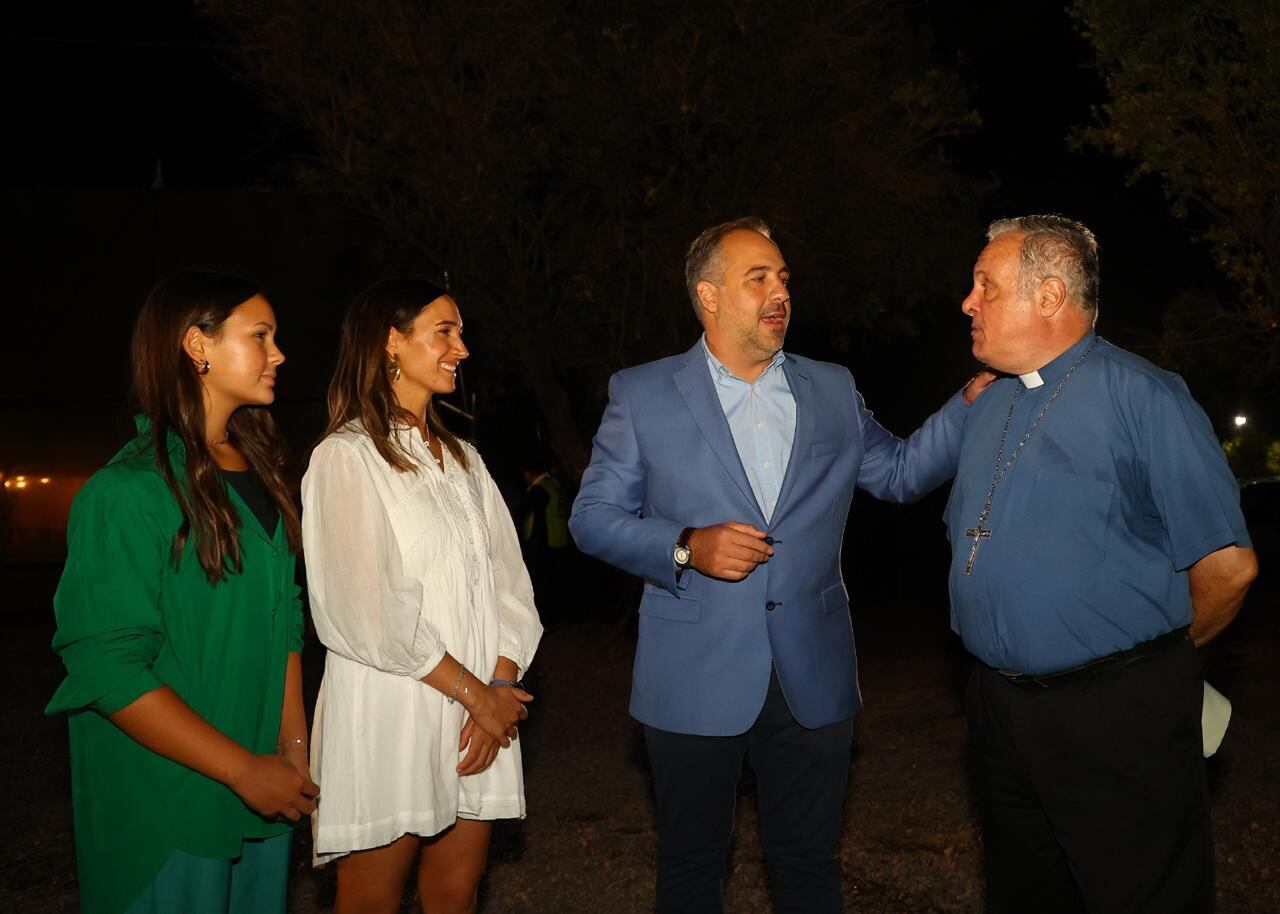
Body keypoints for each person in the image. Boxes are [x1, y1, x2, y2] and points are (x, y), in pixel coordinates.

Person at [569, 217, 991, 913]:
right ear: (708, 296)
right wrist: (685, 545)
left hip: (812, 673)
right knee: (692, 868)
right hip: (693, 673)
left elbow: (898, 472)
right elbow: (592, 519)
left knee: (807, 866)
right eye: (758, 278)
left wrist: (967, 404)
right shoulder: (642, 394)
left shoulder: (830, 387)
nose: (780, 292)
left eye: (785, 278)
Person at [946, 214, 1259, 913]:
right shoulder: (989, 400)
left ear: (1050, 296)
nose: (968, 303)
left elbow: (1228, 568)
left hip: (1117, 715)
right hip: (999, 711)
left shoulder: (1142, 397)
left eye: (985, 286)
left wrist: (1154, 665)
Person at [46, 272, 318, 914]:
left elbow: (285, 623)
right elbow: (107, 666)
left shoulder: (262, 474)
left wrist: (293, 757)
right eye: (260, 336)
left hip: (261, 798)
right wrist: (242, 769)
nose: (278, 354)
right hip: (168, 804)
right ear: (197, 345)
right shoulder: (127, 492)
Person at [301, 278, 543, 914]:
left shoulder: (464, 460)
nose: (461, 348)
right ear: (391, 341)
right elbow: (364, 610)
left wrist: (497, 687)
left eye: (460, 333)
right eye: (445, 331)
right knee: (370, 902)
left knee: (454, 897)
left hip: (474, 720)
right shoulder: (346, 458)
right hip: (393, 709)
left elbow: (511, 588)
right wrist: (479, 697)